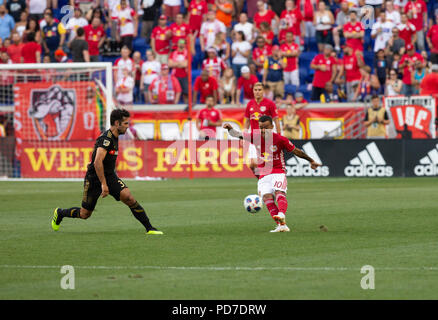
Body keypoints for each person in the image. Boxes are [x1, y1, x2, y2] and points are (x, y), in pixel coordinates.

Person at [51, 109, 163, 235]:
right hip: (94, 178)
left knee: (129, 198)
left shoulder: (115, 137)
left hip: (109, 175)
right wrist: (104, 184)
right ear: (117, 123)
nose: (127, 127)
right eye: (125, 123)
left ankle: (150, 228)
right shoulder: (106, 139)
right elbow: (97, 162)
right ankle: (60, 213)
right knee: (85, 214)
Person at [223, 115, 321, 232]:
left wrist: (311, 160)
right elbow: (237, 134)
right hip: (264, 174)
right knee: (266, 198)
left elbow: (296, 151)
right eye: (261, 128)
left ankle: (281, 214)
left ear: (272, 126)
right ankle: (282, 226)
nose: (263, 130)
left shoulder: (280, 139)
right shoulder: (256, 137)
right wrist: (229, 128)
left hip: (278, 171)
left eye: (266, 128)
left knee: (279, 192)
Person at [243, 82, 281, 175]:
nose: (257, 92)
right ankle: (262, 181)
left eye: (259, 90)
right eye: (255, 90)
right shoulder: (250, 104)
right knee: (252, 164)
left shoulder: (270, 104)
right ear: (253, 91)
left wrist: (279, 135)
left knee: (265, 162)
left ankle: (267, 182)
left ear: (263, 91)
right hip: (254, 136)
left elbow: (276, 120)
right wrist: (244, 133)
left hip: (266, 136)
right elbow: (247, 121)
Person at [169, 38, 190, 103]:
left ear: (185, 44)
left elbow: (186, 64)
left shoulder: (187, 53)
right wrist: (181, 63)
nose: (181, 44)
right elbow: (170, 64)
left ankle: (187, 108)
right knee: (174, 93)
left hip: (185, 75)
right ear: (177, 44)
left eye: (182, 42)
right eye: (180, 42)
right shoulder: (173, 53)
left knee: (186, 94)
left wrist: (175, 63)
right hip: (174, 76)